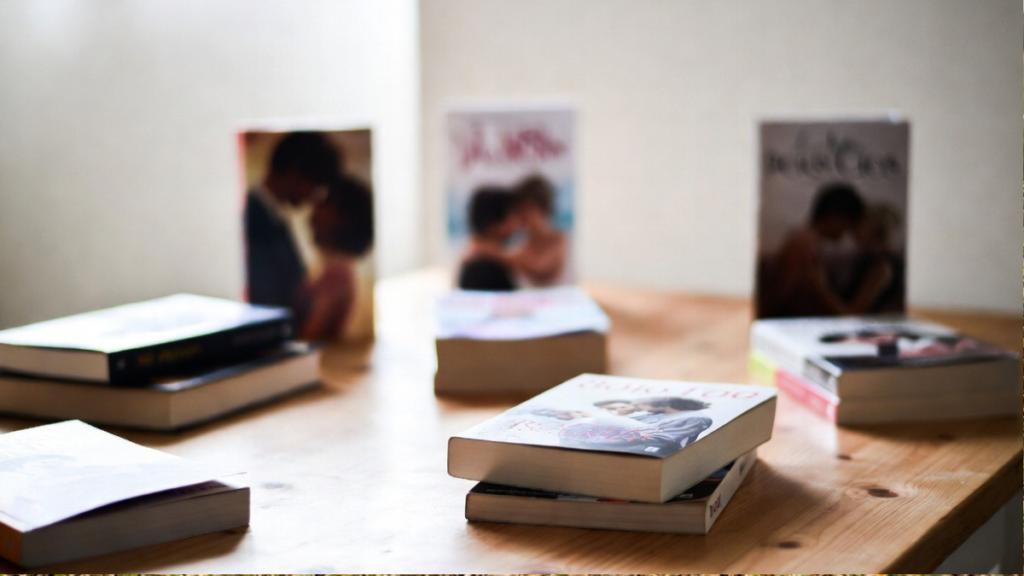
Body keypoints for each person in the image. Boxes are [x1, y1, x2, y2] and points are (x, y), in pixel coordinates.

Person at [245, 132, 340, 327]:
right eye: (316, 185)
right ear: (295, 174)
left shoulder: (275, 218)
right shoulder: (253, 218)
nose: (315, 196)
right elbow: (266, 298)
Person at [767, 182, 866, 317]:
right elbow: (785, 294)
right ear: (834, 216)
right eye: (848, 225)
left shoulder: (808, 239)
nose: (846, 233)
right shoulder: (804, 242)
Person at [299, 176, 374, 341]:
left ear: (340, 216)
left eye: (325, 202)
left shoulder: (338, 272)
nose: (314, 208)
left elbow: (310, 334)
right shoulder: (334, 266)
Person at [508, 175, 568, 286]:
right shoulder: (518, 246)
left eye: (528, 208)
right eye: (520, 209)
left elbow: (540, 268)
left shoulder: (561, 240)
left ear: (543, 208)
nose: (523, 215)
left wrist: (494, 254)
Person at [458, 187, 521, 290]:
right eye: (512, 215)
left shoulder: (488, 260)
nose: (518, 223)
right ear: (494, 224)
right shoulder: (484, 269)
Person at [630, 397, 713, 454]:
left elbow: (666, 439)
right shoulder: (652, 415)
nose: (637, 409)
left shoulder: (695, 418)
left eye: (640, 405)